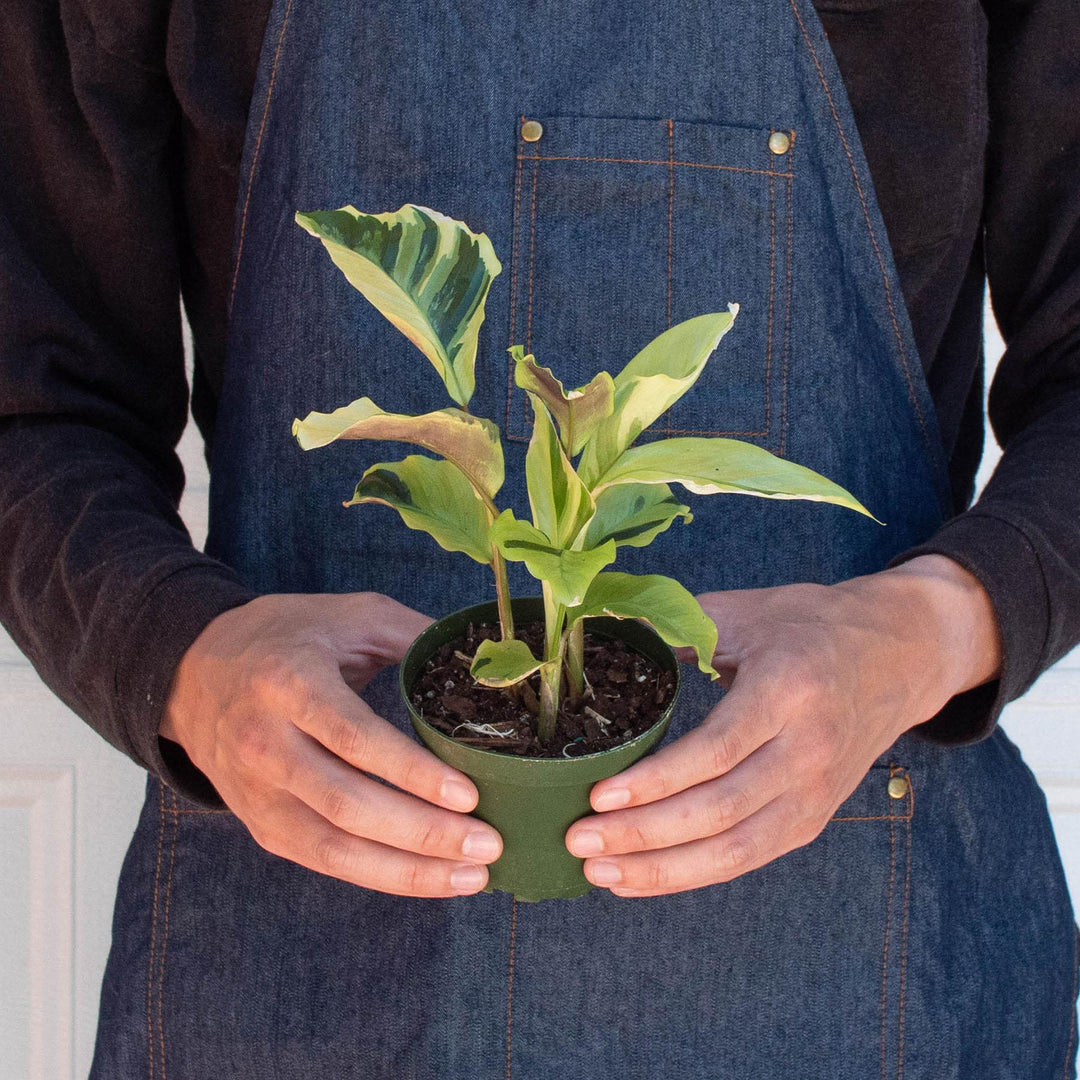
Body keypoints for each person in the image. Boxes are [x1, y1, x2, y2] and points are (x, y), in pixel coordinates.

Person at [1, 0, 1078, 1076]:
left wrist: (932, 628)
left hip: (865, 985)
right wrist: (179, 659)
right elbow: (34, 397)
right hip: (303, 980)